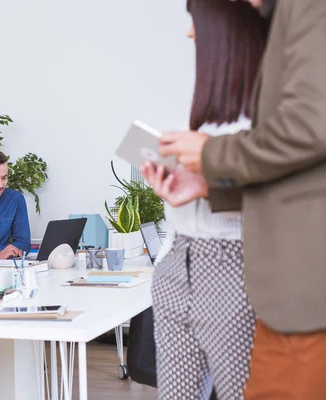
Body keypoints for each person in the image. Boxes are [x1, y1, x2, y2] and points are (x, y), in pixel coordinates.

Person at [157, 0, 326, 398]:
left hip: (274, 280)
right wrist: (208, 186)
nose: (190, 33)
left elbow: (310, 128)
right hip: (198, 269)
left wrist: (213, 155)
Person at [140, 1, 269, 398]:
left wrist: (212, 182)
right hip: (177, 261)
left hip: (234, 263)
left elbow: (286, 196)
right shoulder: (198, 117)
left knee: (240, 393)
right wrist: (178, 185)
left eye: (196, 23)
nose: (190, 33)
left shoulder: (269, 118)